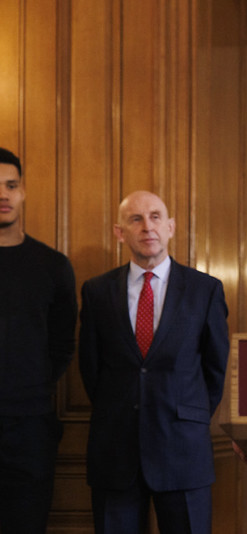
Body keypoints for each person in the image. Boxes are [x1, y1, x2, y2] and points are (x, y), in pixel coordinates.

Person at [78, 190, 229, 534]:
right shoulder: (97, 292)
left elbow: (216, 368)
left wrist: (191, 415)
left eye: (156, 217)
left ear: (171, 227)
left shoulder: (205, 290)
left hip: (183, 451)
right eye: (136, 219)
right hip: (114, 451)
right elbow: (91, 368)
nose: (148, 226)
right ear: (120, 232)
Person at [0, 147, 78, 533]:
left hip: (30, 425)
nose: (3, 194)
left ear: (23, 190)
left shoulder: (52, 265)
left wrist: (32, 385)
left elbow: (64, 342)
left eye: (11, 185)